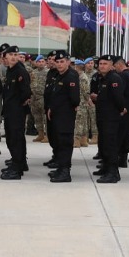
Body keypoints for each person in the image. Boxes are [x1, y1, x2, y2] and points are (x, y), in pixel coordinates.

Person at [45, 51, 81, 183]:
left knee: (65, 143)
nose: (59, 64)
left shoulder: (70, 76)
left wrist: (63, 109)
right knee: (59, 143)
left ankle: (65, 172)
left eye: (62, 62)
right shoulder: (60, 75)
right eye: (57, 62)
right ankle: (61, 168)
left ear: (68, 62)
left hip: (65, 116)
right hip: (57, 115)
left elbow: (75, 99)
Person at [91, 54, 126, 183]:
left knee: (110, 145)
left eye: (105, 64)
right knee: (104, 144)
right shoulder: (103, 78)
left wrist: (121, 110)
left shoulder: (114, 78)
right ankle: (106, 168)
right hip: (103, 116)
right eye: (100, 64)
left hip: (111, 118)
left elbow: (118, 99)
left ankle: (113, 173)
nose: (102, 66)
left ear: (111, 65)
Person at [0, 46, 32, 180]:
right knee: (13, 139)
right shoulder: (10, 70)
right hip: (10, 110)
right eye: (11, 54)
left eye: (16, 54)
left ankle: (17, 169)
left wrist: (20, 104)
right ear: (5, 57)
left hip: (16, 111)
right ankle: (18, 163)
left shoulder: (20, 71)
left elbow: (26, 92)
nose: (13, 57)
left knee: (16, 139)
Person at [114, 56, 129, 168]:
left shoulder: (123, 76)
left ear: (119, 65)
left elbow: (121, 94)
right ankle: (123, 159)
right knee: (126, 136)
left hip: (125, 110)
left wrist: (121, 108)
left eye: (115, 66)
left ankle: (119, 159)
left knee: (121, 136)